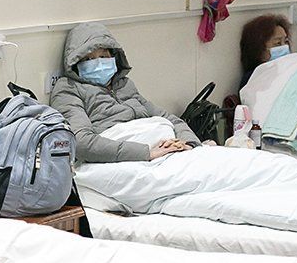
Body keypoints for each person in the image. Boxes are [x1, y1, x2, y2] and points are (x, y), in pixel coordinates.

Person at [49, 22, 201, 163]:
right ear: (76, 64)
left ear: (114, 57)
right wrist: (147, 153)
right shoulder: (68, 89)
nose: (98, 63)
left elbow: (170, 119)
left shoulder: (125, 85)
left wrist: (188, 144)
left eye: (103, 56)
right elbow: (80, 142)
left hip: (163, 145)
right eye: (89, 59)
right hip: (127, 155)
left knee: (208, 161)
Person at [239, 14, 291, 89]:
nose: (285, 47)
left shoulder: (290, 69)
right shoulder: (252, 79)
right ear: (259, 50)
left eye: (286, 41)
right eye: (278, 43)